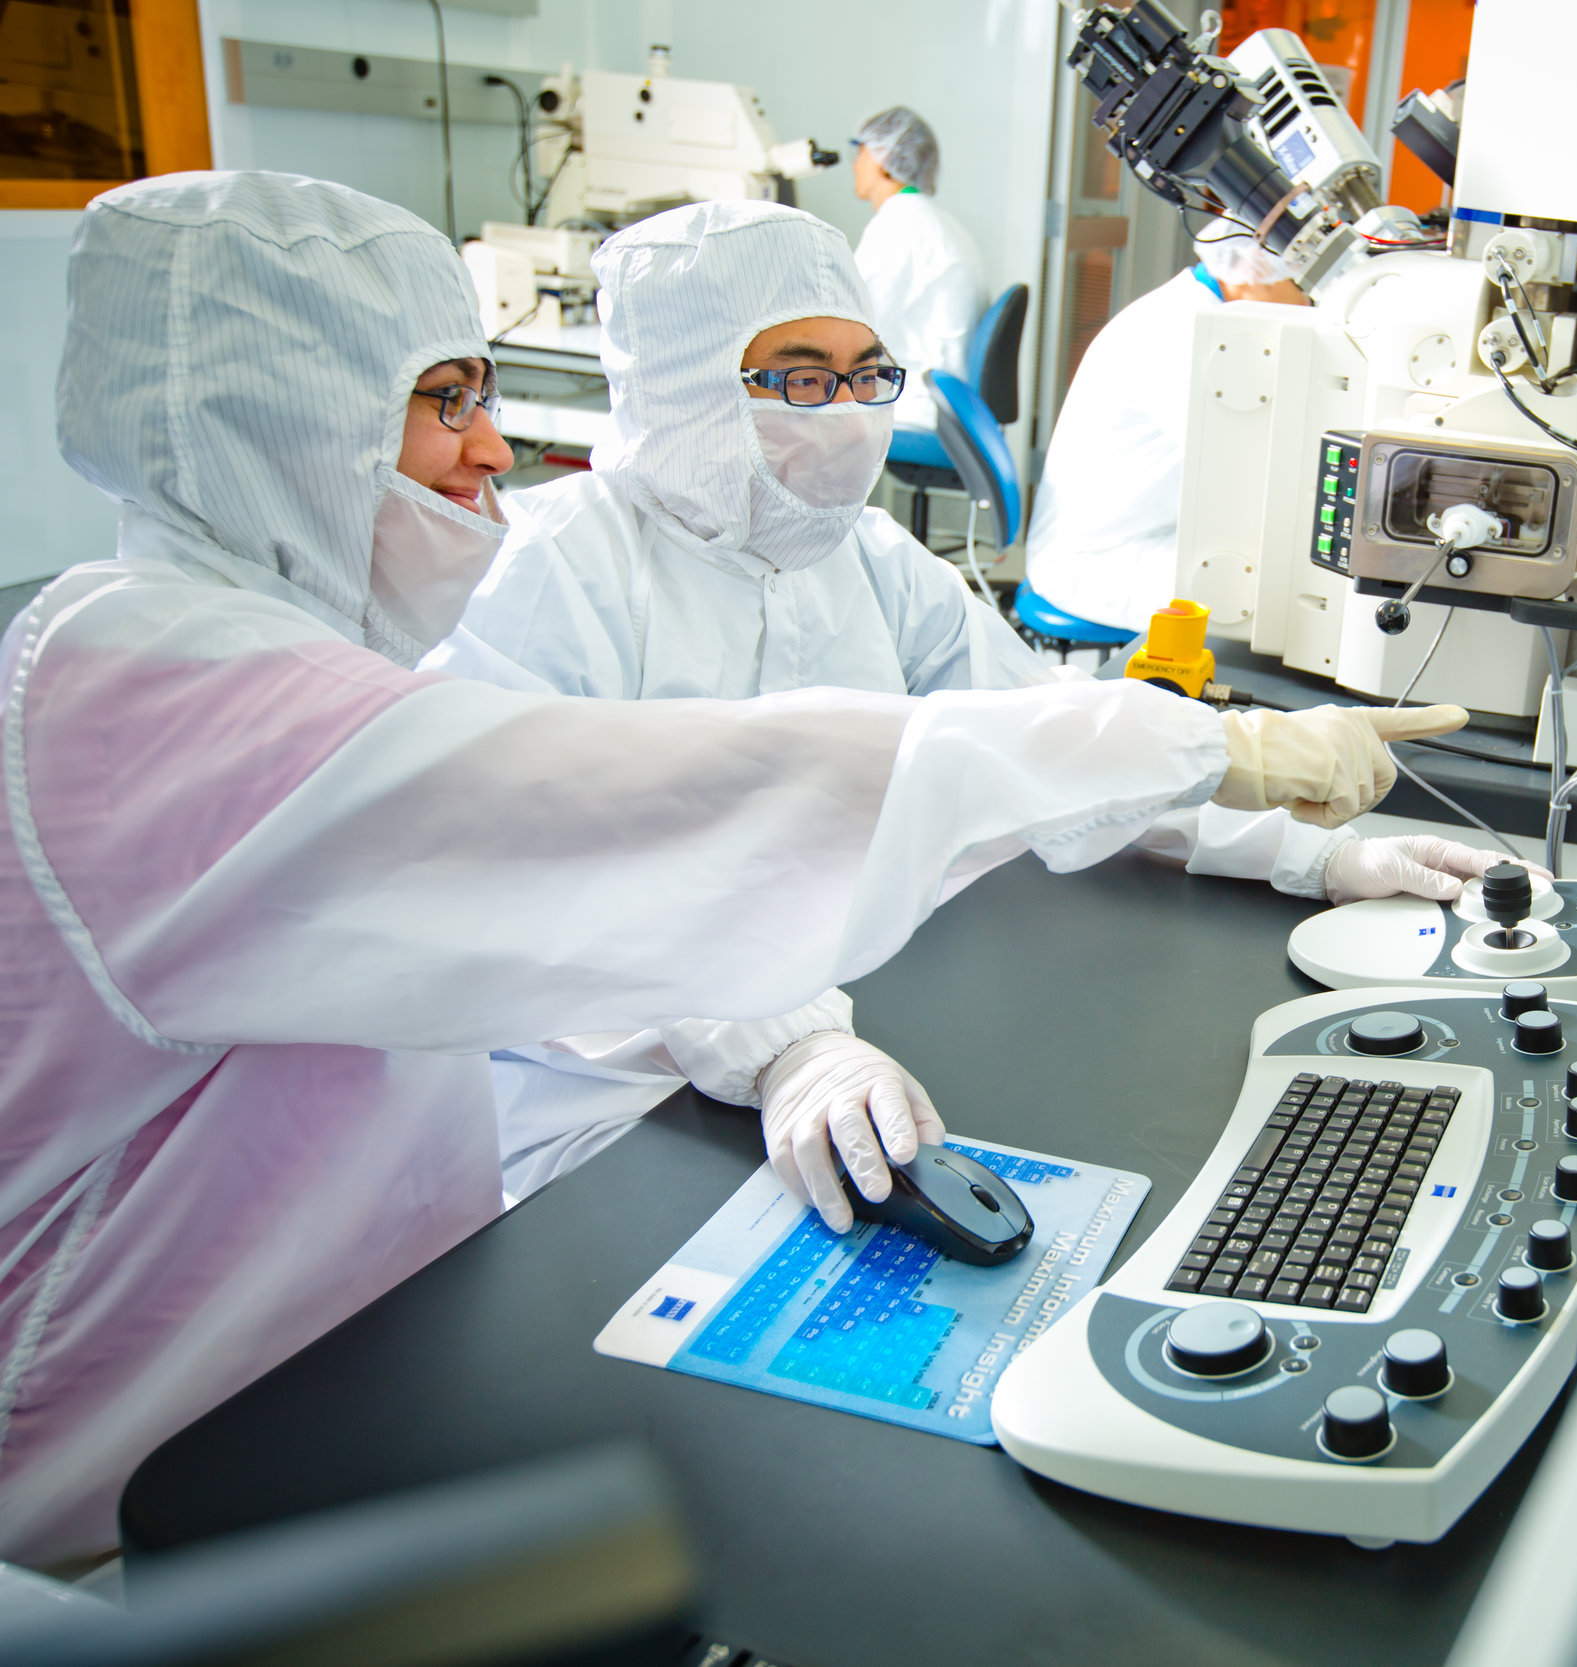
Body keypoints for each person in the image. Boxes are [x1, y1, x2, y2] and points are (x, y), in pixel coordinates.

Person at [0, 170, 1453, 1568]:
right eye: (444, 402)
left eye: (865, 373)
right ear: (282, 422)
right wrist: (803, 1037)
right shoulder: (142, 684)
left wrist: (1306, 842)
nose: (496, 450)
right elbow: (628, 839)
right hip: (126, 1505)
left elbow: (969, 724)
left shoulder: (276, 650)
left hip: (370, 1356)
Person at [433, 199, 1514, 1207]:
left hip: (856, 1011)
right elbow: (578, 876)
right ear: (685, 390)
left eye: (869, 376)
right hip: (609, 1093)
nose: (852, 417)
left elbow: (1030, 729)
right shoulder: (550, 571)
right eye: (803, 381)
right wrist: (781, 1044)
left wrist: (1297, 848)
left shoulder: (859, 551)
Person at [1021, 224, 1310, 633]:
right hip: (1098, 561)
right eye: (1302, 283)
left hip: (1151, 535)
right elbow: (1243, 469)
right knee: (1283, 599)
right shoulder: (1180, 332)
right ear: (1253, 271)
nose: (1309, 300)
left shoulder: (1199, 313)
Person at [848, 106, 983, 434]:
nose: (854, 164)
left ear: (884, 159)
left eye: (861, 152)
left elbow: (853, 320)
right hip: (944, 398)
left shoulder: (900, 226)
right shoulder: (931, 221)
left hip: (918, 403)